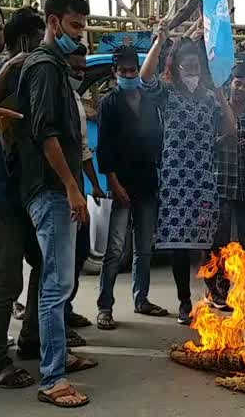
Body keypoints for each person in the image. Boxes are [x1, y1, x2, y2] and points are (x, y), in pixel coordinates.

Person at [16, 0, 95, 407]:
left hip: (52, 187)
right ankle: (53, 378)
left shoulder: (55, 66)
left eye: (82, 26)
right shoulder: (45, 67)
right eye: (74, 26)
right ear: (52, 22)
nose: (79, 35)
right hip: (49, 189)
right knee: (55, 285)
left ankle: (58, 357)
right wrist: (70, 187)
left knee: (57, 283)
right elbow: (46, 133)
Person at [140, 20, 236, 326]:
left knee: (209, 240)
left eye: (197, 63)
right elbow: (144, 78)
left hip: (202, 181)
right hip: (175, 181)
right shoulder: (167, 94)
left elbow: (231, 128)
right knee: (178, 244)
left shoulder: (209, 99)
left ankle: (213, 291)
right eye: (187, 63)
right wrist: (160, 40)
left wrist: (220, 92)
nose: (192, 68)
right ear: (177, 65)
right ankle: (184, 302)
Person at [95, 45, 168, 330]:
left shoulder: (149, 101)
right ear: (115, 73)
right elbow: (104, 151)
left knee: (144, 248)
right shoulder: (109, 104)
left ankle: (142, 299)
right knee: (114, 250)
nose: (129, 75)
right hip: (121, 186)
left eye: (132, 70)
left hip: (147, 182)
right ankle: (105, 306)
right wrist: (114, 184)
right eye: (123, 71)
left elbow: (158, 141)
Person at [0, 6, 46, 364]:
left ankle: (31, 338)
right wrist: (10, 66)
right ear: (26, 40)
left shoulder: (34, 76)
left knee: (44, 262)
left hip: (22, 193)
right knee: (7, 279)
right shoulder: (3, 73)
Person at [209, 63, 245, 308]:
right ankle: (218, 289)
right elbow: (206, 145)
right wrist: (224, 139)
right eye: (237, 83)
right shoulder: (216, 112)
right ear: (229, 84)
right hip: (220, 186)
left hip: (244, 186)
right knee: (219, 240)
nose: (241, 88)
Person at [60, 45, 105, 346]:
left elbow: (84, 150)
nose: (78, 74)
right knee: (59, 262)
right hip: (60, 191)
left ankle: (68, 308)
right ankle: (58, 323)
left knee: (77, 253)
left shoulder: (75, 98)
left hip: (78, 186)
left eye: (81, 70)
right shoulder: (58, 99)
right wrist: (73, 188)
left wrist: (94, 185)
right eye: (74, 69)